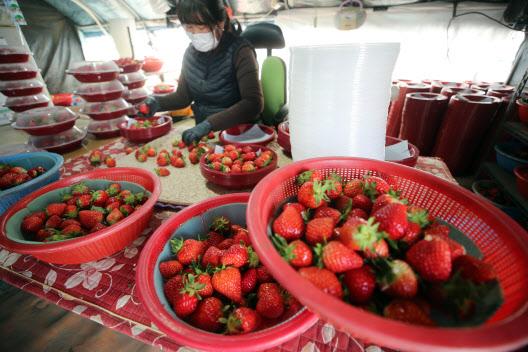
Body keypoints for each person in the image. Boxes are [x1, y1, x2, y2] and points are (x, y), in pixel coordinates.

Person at [137, 0, 264, 146]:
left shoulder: (240, 50)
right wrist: (157, 103)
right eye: (189, 28)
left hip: (241, 135)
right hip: (206, 138)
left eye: (202, 28)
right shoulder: (190, 54)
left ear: (220, 23)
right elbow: (183, 97)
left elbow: (253, 102)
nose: (196, 34)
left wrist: (207, 125)